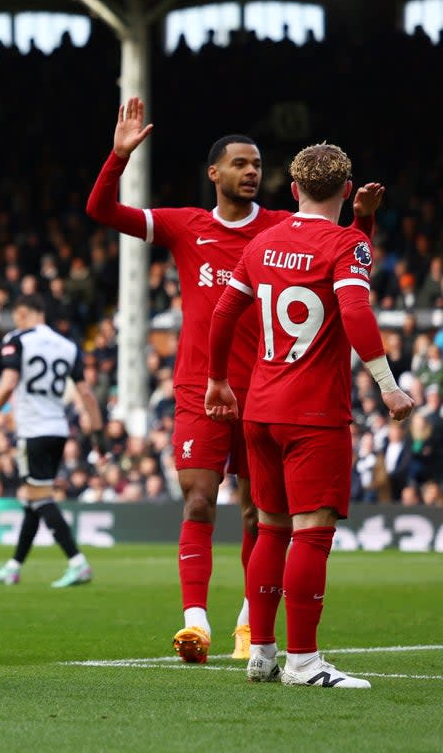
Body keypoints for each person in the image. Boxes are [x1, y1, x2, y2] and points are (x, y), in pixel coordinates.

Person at [86, 97, 379, 662]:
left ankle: (251, 620)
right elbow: (102, 211)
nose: (251, 172)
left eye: (257, 164)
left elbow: (342, 252)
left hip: (267, 392)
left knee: (257, 515)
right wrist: (117, 159)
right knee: (199, 500)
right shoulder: (183, 226)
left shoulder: (278, 227)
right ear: (213, 173)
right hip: (201, 386)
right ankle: (195, 622)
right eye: (240, 163)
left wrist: (359, 217)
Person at [205, 142, 413, 688]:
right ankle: (303, 661)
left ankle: (262, 653)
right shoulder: (347, 245)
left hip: (260, 409)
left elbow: (225, 311)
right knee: (312, 534)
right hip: (313, 413)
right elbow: (354, 306)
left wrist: (218, 379)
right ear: (346, 191)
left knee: (270, 531)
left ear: (293, 190)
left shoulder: (263, 242)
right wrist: (388, 387)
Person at [0, 295, 103, 588]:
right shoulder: (68, 345)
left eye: (17, 315)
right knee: (33, 498)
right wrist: (98, 437)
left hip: (33, 429)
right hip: (58, 429)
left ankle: (77, 561)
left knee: (40, 498)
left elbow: (9, 383)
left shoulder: (18, 339)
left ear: (23, 312)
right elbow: (85, 393)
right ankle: (14, 566)